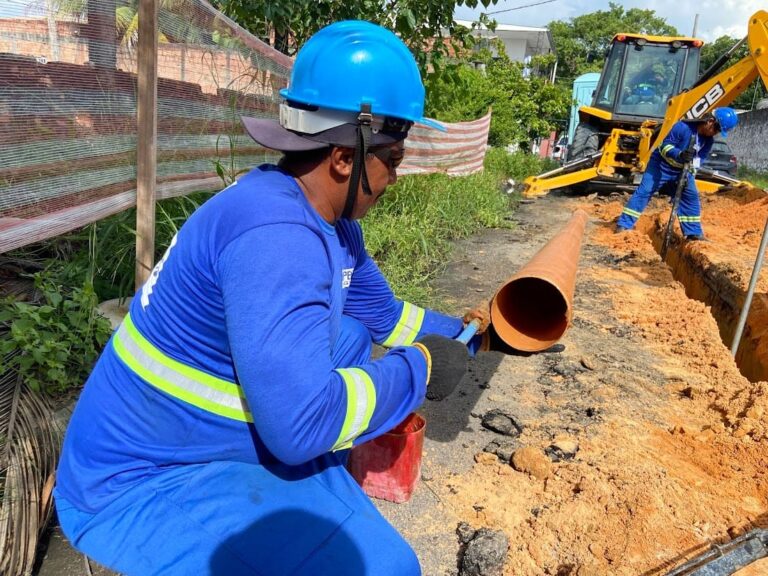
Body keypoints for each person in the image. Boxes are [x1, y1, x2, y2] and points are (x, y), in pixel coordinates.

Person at [53, 20, 489, 576]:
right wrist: (417, 371)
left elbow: (385, 315)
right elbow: (301, 426)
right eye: (395, 159)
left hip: (196, 438)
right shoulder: (277, 239)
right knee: (387, 568)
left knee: (351, 338)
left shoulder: (326, 219)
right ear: (346, 158)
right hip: (139, 480)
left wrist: (470, 338)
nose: (395, 177)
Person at [616, 107, 739, 240]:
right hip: (660, 166)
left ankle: (693, 233)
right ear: (710, 121)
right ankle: (624, 225)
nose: (716, 133)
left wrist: (689, 172)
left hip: (682, 171)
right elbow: (665, 147)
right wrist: (679, 154)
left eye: (719, 131)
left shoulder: (708, 141)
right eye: (717, 128)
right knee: (645, 191)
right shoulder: (682, 127)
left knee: (691, 197)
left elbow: (699, 160)